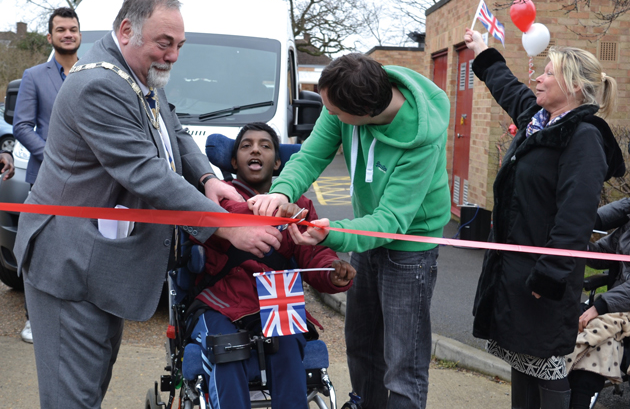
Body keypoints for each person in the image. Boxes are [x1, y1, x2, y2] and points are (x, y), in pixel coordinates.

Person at [12, 0, 283, 409]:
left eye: (179, 45)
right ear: (126, 31)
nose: (173, 56)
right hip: (68, 263)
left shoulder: (136, 75)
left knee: (90, 386)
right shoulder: (98, 85)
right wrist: (228, 226)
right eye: (164, 43)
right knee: (74, 398)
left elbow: (172, 128)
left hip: (99, 264)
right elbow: (144, 171)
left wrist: (208, 178)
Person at [248, 54, 451, 409]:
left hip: (410, 248)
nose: (331, 117)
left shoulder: (422, 137)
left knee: (403, 364)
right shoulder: (344, 100)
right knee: (361, 344)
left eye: (337, 114)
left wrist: (331, 234)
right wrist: (281, 191)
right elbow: (311, 156)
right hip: (366, 237)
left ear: (365, 114)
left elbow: (391, 222)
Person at [464, 28, 625, 409]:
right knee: (524, 367)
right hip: (516, 274)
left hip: (542, 279)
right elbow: (510, 89)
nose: (537, 77)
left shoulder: (583, 137)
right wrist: (484, 54)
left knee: (546, 370)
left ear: (571, 84)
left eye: (547, 72)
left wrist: (550, 275)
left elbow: (575, 216)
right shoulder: (543, 120)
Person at [187, 122, 355, 408]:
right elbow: (231, 214)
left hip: (277, 302)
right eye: (246, 145)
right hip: (222, 302)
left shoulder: (299, 205)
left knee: (289, 347)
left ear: (278, 162)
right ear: (233, 161)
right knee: (228, 347)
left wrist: (332, 272)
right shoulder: (218, 197)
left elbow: (313, 254)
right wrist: (277, 207)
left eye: (265, 146)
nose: (255, 149)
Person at [13, 6, 82, 344]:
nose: (68, 34)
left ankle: (72, 320)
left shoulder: (91, 73)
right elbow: (22, 125)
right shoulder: (34, 76)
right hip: (44, 180)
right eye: (61, 30)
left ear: (79, 34)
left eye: (73, 29)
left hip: (87, 185)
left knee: (77, 253)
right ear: (50, 36)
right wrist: (51, 157)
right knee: (37, 253)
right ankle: (32, 319)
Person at [567, 197, 630, 409]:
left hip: (619, 310)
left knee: (597, 344)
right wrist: (576, 241)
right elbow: (602, 254)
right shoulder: (627, 229)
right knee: (564, 320)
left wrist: (600, 306)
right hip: (617, 307)